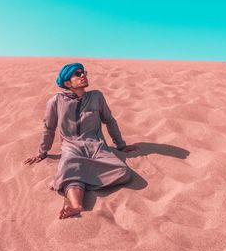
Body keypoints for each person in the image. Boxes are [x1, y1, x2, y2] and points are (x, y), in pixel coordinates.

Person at [23, 63, 139, 219]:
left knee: (123, 172)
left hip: (97, 146)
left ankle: (66, 176)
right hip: (71, 147)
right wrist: (42, 152)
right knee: (70, 161)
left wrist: (121, 145)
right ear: (67, 83)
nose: (83, 75)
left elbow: (109, 121)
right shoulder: (55, 101)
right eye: (77, 74)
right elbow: (49, 128)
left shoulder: (96, 96)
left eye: (84, 72)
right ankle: (77, 205)